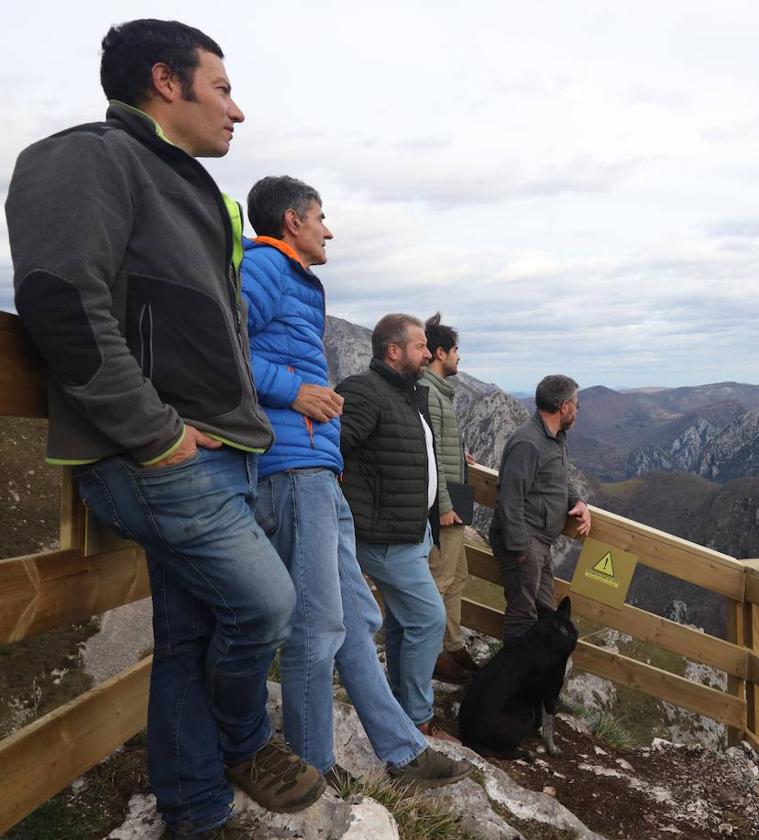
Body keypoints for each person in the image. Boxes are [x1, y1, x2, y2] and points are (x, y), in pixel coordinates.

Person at [5, 20, 323, 838]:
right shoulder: (84, 158)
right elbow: (58, 301)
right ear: (165, 81)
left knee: (192, 633)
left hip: (219, 451)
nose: (237, 111)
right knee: (267, 604)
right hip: (156, 455)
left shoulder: (186, 186)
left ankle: (194, 807)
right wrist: (155, 433)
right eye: (221, 87)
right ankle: (246, 742)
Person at [241, 177, 471, 791]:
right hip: (291, 471)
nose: (329, 228)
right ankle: (313, 769)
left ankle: (400, 747)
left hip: (315, 474)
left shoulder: (295, 281)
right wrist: (294, 392)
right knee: (317, 627)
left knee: (357, 614)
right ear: (292, 220)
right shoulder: (263, 267)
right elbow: (220, 343)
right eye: (321, 216)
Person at [337, 314, 453, 739]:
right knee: (429, 618)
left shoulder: (405, 394)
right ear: (394, 350)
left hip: (409, 531)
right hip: (384, 535)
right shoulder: (364, 391)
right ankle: (418, 719)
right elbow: (332, 448)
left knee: (406, 623)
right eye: (421, 346)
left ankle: (401, 706)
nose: (428, 353)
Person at [489, 375, 592, 644]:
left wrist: (578, 501)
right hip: (526, 542)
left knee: (545, 613)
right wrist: (521, 548)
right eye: (576, 404)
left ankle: (529, 675)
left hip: (540, 544)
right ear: (564, 406)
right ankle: (512, 680)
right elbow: (509, 499)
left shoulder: (555, 438)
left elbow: (560, 479)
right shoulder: (529, 443)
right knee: (522, 615)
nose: (578, 410)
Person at [418, 313, 480, 684]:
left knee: (458, 577)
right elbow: (430, 455)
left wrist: (461, 450)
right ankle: (436, 656)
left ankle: (454, 646)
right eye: (456, 351)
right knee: (440, 580)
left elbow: (441, 445)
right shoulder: (428, 391)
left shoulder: (440, 393)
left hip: (457, 494)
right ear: (440, 353)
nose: (459, 358)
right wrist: (442, 507)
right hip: (445, 503)